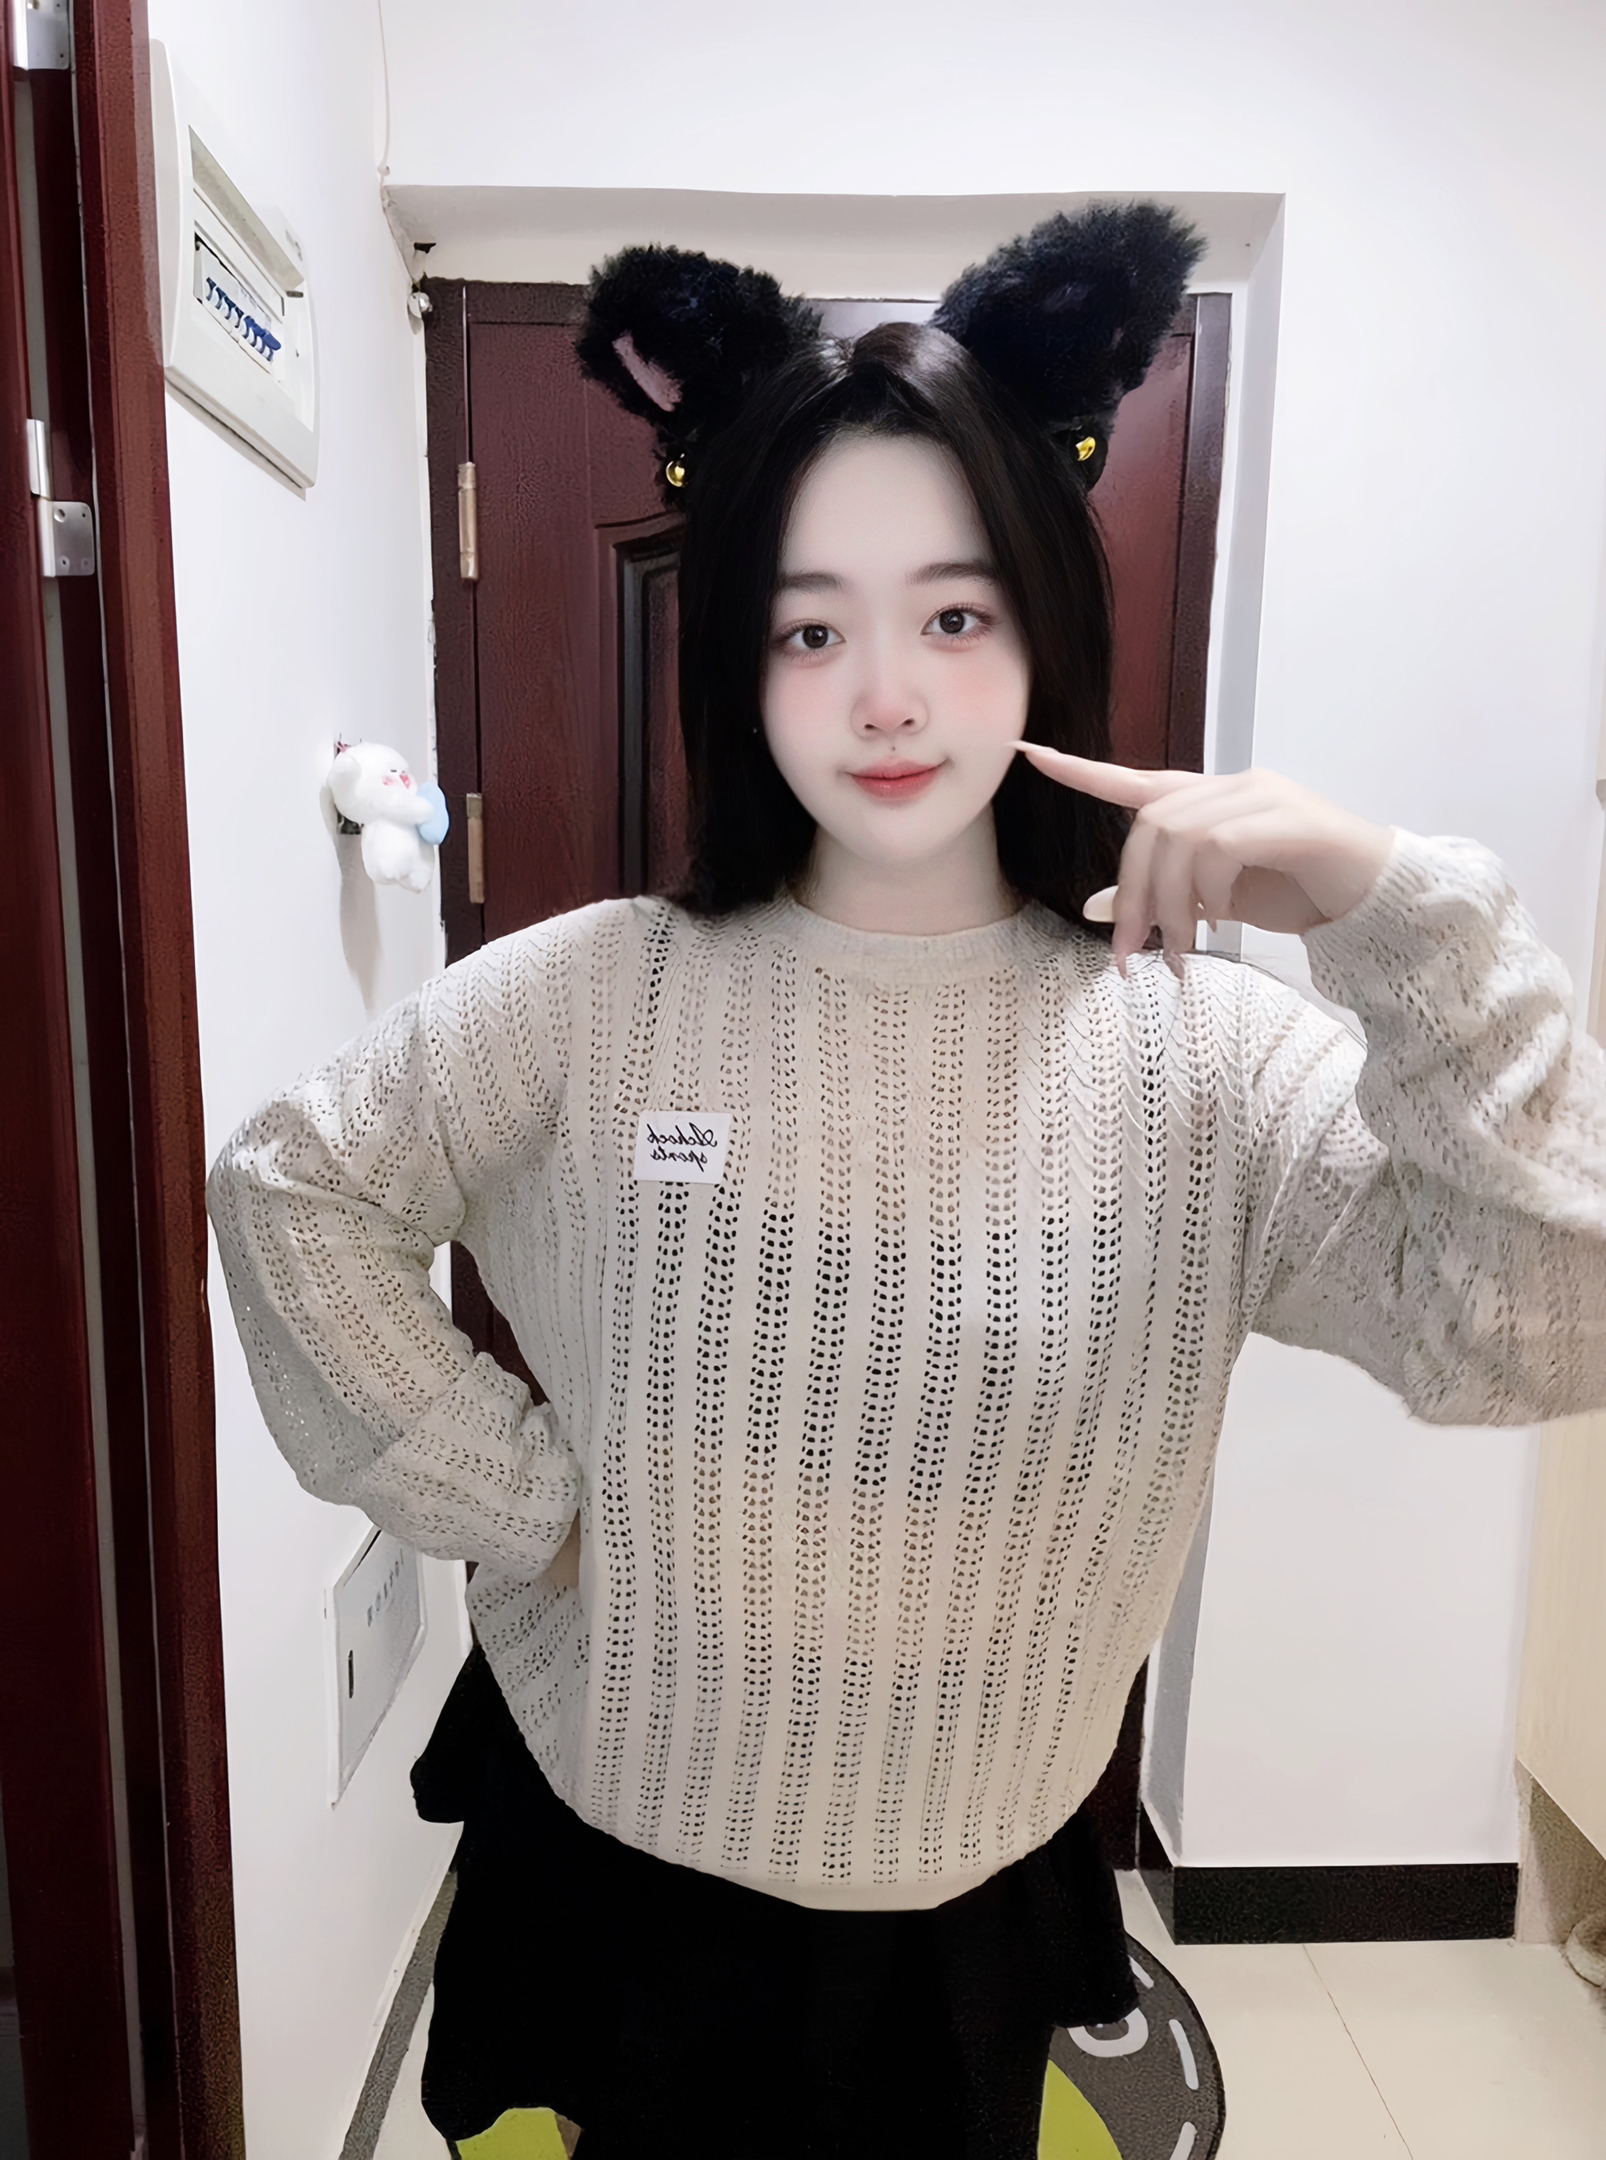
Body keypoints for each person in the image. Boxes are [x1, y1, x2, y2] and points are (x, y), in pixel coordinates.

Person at [207, 209, 1606, 2159]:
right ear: (738, 659)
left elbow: (1534, 1329)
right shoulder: (592, 996)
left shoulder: (1199, 1053)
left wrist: (1402, 910)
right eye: (810, 628)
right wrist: (514, 1503)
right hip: (611, 1844)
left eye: (953, 618)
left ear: (1043, 631)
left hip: (975, 1880)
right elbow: (293, 1189)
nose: (884, 696)